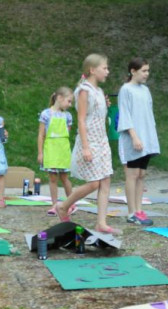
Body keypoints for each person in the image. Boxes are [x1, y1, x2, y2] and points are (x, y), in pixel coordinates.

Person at [56, 54, 119, 234]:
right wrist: (85, 146)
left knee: (105, 181)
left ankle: (101, 223)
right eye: (104, 68)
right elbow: (81, 120)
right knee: (94, 183)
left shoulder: (98, 91)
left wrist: (103, 105)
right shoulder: (84, 90)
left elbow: (97, 113)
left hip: (102, 141)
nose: (107, 71)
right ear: (92, 70)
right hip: (90, 140)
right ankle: (63, 206)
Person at [117, 57, 160, 226]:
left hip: (146, 138)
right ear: (133, 71)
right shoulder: (126, 89)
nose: (146, 74)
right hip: (133, 138)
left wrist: (150, 137)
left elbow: (149, 115)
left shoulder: (145, 90)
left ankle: (139, 209)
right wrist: (134, 136)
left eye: (148, 70)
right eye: (143, 71)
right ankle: (131, 212)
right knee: (132, 174)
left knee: (141, 174)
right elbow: (125, 115)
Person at [37, 87, 75, 216]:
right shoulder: (46, 114)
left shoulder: (68, 116)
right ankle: (54, 205)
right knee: (52, 177)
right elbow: (41, 135)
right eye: (69, 101)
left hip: (63, 149)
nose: (70, 105)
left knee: (64, 177)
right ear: (59, 98)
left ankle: (71, 203)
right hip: (50, 149)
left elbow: (67, 133)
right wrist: (40, 152)